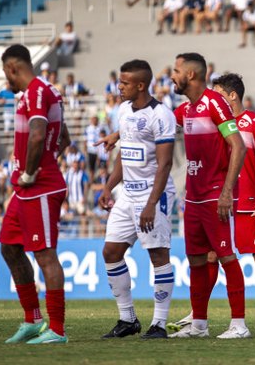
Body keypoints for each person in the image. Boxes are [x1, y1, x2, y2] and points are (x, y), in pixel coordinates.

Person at [168, 53, 249, 339]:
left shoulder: (215, 104)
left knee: (227, 257)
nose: (172, 75)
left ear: (190, 75)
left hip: (216, 196)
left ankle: (239, 324)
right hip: (193, 197)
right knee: (196, 261)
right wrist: (118, 134)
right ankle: (199, 325)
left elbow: (238, 146)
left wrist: (227, 192)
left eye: (176, 70)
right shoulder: (186, 108)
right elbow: (161, 120)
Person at [97, 60, 176, 339]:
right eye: (120, 82)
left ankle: (160, 324)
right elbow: (125, 151)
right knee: (111, 252)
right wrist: (108, 187)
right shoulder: (123, 110)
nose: (119, 87)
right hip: (127, 194)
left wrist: (152, 204)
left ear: (141, 85)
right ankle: (128, 319)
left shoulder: (162, 115)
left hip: (153, 194)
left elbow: (165, 164)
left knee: (158, 255)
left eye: (125, 83)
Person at [0, 44, 71, 344]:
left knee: (45, 255)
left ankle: (56, 329)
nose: (7, 81)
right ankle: (32, 320)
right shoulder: (39, 93)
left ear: (14, 68)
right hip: (26, 189)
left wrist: (32, 170)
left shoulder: (37, 91)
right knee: (9, 247)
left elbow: (39, 134)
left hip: (37, 186)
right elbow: (63, 137)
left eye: (6, 74)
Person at [211, 73, 255, 334]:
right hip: (222, 204)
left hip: (250, 203)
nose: (213, 100)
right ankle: (198, 318)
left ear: (233, 95)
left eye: (218, 94)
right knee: (211, 256)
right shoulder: (216, 124)